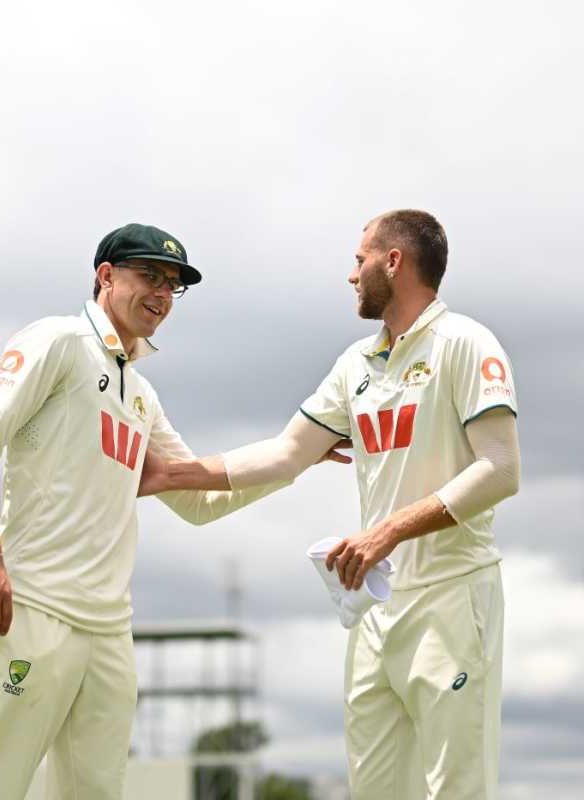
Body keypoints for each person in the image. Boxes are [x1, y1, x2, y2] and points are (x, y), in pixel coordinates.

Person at [144, 209, 519, 798]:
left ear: (393, 262)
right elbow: (288, 454)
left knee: (456, 787)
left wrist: (388, 531)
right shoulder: (356, 364)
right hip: (377, 609)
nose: (352, 275)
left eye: (359, 258)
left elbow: (500, 470)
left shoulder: (466, 344)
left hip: (452, 598)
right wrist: (170, 473)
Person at [0, 223, 306, 799]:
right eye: (149, 277)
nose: (162, 294)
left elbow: (197, 500)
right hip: (35, 608)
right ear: (106, 277)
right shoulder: (58, 341)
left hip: (109, 628)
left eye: (173, 285)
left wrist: (297, 456)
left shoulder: (140, 394)